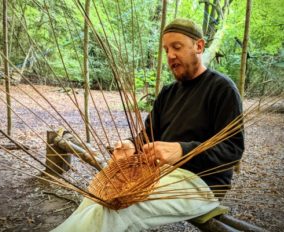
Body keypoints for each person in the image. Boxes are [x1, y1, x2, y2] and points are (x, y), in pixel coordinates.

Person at [52, 18, 244, 232]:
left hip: (202, 184)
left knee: (113, 210)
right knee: (100, 195)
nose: (170, 55)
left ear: (198, 46)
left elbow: (232, 150)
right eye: (167, 49)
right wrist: (131, 145)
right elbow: (147, 136)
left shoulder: (222, 89)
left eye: (177, 47)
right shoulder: (168, 93)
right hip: (157, 173)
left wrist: (182, 150)